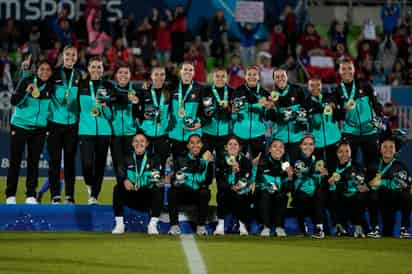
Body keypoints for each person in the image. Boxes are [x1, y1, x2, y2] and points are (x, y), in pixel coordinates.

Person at [6, 60, 54, 204]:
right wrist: (27, 92)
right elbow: (14, 101)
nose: (44, 72)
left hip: (39, 129)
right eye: (42, 69)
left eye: (47, 70)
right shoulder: (26, 81)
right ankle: (10, 194)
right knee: (15, 161)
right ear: (37, 70)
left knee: (33, 163)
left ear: (51, 72)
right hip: (20, 126)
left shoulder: (51, 86)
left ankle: (31, 194)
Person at [334, 59, 382, 181]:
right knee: (349, 164)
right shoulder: (338, 91)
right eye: (343, 69)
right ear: (339, 71)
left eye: (349, 68)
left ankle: (371, 191)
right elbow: (337, 116)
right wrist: (344, 109)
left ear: (354, 70)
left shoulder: (365, 85)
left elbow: (376, 105)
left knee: (373, 165)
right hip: (350, 132)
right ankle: (351, 192)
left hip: (369, 131)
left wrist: (377, 120)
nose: (347, 71)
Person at [48, 46, 83, 204]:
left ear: (77, 57)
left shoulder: (79, 75)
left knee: (70, 162)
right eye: (67, 54)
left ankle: (69, 195)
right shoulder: (54, 73)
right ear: (63, 56)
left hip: (72, 125)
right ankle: (55, 195)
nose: (70, 57)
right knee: (54, 161)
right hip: (55, 124)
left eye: (73, 55)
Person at [112, 133, 164, 235]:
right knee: (117, 188)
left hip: (147, 197)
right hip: (131, 196)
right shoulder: (125, 158)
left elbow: (158, 177)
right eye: (136, 141)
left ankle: (152, 225)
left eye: (142, 141)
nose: (139, 143)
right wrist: (124, 180)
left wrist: (159, 182)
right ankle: (119, 224)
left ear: (147, 144)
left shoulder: (154, 158)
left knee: (159, 190)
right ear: (132, 144)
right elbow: (120, 174)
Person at [78, 57, 113, 204]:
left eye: (99, 67)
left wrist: (105, 107)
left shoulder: (108, 86)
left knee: (99, 165)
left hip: (104, 132)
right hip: (86, 130)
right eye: (93, 67)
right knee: (86, 164)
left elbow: (111, 115)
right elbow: (75, 108)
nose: (96, 70)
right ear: (88, 68)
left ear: (103, 69)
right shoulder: (81, 85)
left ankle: (94, 196)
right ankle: (89, 184)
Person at [167, 135, 213, 236]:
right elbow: (174, 179)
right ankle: (174, 226)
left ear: (201, 145)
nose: (195, 145)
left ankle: (201, 226)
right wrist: (176, 181)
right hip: (183, 193)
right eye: (192, 143)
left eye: (198, 142)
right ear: (188, 146)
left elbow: (208, 181)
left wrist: (208, 164)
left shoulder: (207, 160)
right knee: (172, 191)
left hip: (197, 194)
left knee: (205, 193)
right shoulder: (179, 159)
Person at [368, 137, 411, 238]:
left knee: (407, 196)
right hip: (380, 199)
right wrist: (371, 183)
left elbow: (405, 185)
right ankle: (375, 228)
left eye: (391, 147)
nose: (388, 149)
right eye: (385, 147)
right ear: (380, 149)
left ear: (395, 150)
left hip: (395, 200)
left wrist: (383, 182)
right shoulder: (373, 165)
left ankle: (404, 229)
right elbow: (367, 184)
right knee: (370, 195)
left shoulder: (401, 166)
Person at [326, 141, 369, 238]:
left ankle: (359, 226)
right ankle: (338, 225)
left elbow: (365, 185)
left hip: (355, 203)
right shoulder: (331, 167)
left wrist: (363, 186)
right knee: (330, 192)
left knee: (362, 195)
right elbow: (326, 186)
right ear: (336, 154)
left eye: (347, 151)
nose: (344, 154)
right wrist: (328, 182)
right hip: (340, 203)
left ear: (350, 153)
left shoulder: (357, 166)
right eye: (341, 151)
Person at [214, 137, 253, 236]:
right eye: (230, 144)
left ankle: (242, 225)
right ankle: (220, 224)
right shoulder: (220, 160)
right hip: (226, 190)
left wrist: (238, 172)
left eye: (235, 144)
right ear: (225, 147)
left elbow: (247, 178)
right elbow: (219, 179)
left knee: (244, 196)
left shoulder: (245, 161)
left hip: (240, 190)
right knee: (222, 194)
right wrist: (230, 186)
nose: (233, 146)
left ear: (239, 148)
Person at [291, 134, 329, 238]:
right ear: (300, 146)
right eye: (305, 144)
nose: (308, 147)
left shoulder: (319, 158)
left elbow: (323, 175)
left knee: (319, 193)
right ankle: (302, 229)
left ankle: (319, 228)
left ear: (314, 146)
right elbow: (302, 172)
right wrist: (316, 172)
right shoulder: (296, 159)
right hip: (300, 194)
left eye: (311, 144)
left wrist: (322, 174)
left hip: (316, 195)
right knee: (300, 195)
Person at [109, 64, 140, 188]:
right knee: (118, 164)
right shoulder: (111, 91)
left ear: (130, 75)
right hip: (115, 134)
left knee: (131, 164)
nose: (123, 75)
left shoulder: (136, 92)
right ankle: (121, 189)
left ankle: (132, 189)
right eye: (120, 72)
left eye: (126, 73)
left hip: (131, 134)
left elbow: (140, 114)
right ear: (116, 75)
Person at [256, 139, 293, 237]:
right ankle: (266, 227)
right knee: (265, 194)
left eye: (281, 147)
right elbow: (260, 182)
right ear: (269, 150)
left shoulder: (286, 166)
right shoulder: (263, 162)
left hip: (278, 195)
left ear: (284, 151)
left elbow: (288, 189)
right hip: (264, 195)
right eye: (275, 146)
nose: (278, 149)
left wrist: (289, 177)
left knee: (282, 195)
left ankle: (279, 227)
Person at [268, 69, 306, 163]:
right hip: (280, 139)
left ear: (287, 77)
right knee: (283, 167)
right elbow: (269, 118)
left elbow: (304, 110)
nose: (280, 79)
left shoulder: (297, 90)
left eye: (283, 76)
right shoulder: (271, 96)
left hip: (297, 137)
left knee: (297, 166)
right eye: (277, 77)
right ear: (273, 79)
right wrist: (271, 109)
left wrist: (297, 119)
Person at [231, 65, 270, 159]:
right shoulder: (237, 91)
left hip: (258, 134)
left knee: (260, 163)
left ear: (258, 77)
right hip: (240, 133)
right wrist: (233, 113)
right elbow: (234, 117)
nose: (252, 77)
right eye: (249, 74)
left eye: (254, 74)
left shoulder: (264, 93)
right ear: (245, 76)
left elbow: (268, 117)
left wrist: (268, 109)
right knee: (239, 164)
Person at [305, 77, 341, 172]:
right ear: (308, 87)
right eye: (312, 85)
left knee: (334, 169)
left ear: (321, 86)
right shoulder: (306, 103)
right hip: (317, 143)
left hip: (334, 140)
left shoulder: (330, 97)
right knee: (319, 170)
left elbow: (339, 116)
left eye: (318, 85)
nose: (315, 87)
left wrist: (335, 108)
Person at [168, 62, 203, 158]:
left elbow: (206, 112)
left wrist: (200, 123)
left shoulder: (200, 89)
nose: (187, 72)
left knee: (193, 166)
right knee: (177, 166)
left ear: (194, 73)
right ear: (180, 72)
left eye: (190, 70)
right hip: (175, 134)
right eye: (185, 69)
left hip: (193, 136)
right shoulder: (172, 88)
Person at [139, 66, 171, 165]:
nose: (159, 77)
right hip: (146, 134)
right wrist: (142, 115)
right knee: (145, 166)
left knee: (161, 166)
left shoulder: (169, 92)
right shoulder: (144, 91)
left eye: (162, 74)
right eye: (156, 74)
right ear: (151, 76)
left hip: (162, 135)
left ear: (165, 76)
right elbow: (135, 112)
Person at [201, 68, 233, 160]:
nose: (220, 79)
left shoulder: (232, 92)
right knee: (207, 163)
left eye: (223, 76)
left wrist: (229, 109)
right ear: (213, 77)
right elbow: (200, 110)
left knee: (223, 164)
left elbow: (235, 113)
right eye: (217, 76)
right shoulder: (205, 91)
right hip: (207, 134)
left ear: (227, 78)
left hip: (225, 134)